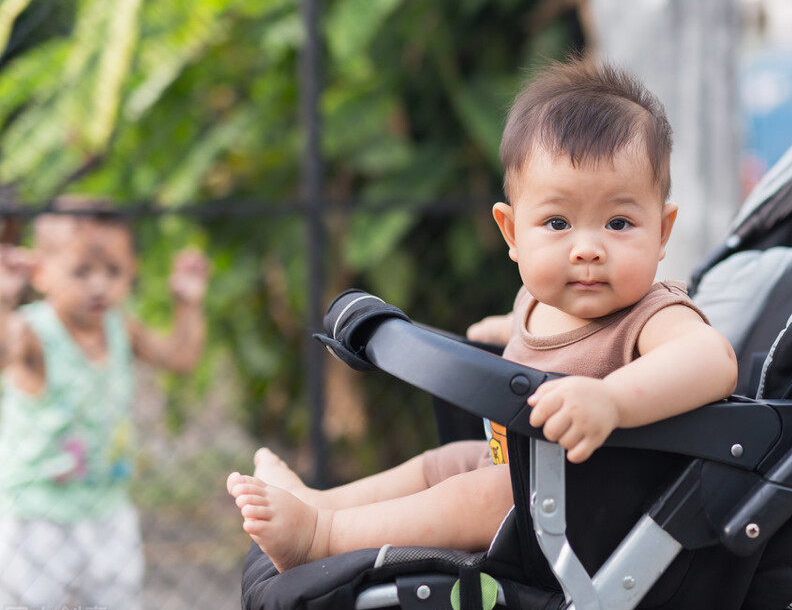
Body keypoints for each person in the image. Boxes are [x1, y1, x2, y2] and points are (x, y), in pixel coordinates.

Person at [227, 57, 738, 572]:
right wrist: (503, 333)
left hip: (592, 515)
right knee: (440, 466)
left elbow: (711, 359)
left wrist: (612, 399)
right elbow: (547, 344)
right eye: (558, 222)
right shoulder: (538, 303)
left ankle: (322, 537)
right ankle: (318, 502)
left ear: (663, 232)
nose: (587, 248)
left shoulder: (651, 315)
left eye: (619, 222)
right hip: (521, 474)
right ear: (513, 233)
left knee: (483, 493)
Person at [0, 200, 210, 610]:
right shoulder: (32, 331)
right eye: (81, 272)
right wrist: (4, 297)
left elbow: (181, 358)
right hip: (37, 517)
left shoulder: (121, 329)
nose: (99, 285)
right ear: (40, 272)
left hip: (107, 510)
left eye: (113, 272)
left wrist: (187, 303)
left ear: (131, 271)